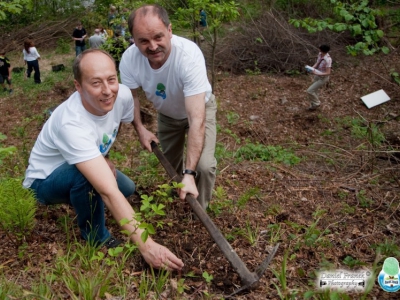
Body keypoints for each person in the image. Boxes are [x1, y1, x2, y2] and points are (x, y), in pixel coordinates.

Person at [23, 49, 184, 271]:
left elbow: (121, 118)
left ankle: (83, 193)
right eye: (96, 83)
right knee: (95, 182)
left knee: (127, 189)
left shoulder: (122, 95)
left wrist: (139, 129)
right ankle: (96, 236)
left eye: (111, 79)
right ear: (78, 86)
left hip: (77, 162)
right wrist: (148, 247)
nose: (107, 91)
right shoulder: (71, 123)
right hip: (43, 182)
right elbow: (108, 191)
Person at [120, 4, 217, 211]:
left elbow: (196, 118)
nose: (153, 46)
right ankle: (178, 196)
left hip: (199, 111)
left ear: (170, 31)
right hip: (167, 114)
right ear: (134, 40)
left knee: (204, 166)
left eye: (158, 37)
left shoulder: (188, 57)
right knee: (170, 164)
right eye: (143, 41)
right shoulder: (129, 60)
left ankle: (199, 211)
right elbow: (131, 98)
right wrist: (140, 129)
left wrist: (189, 173)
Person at [306, 44, 332, 110]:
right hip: (317, 74)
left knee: (310, 90)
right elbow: (317, 63)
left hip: (323, 78)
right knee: (315, 90)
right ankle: (313, 106)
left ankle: (317, 103)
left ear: (322, 50)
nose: (319, 50)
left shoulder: (328, 59)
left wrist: (318, 73)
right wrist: (312, 68)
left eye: (320, 49)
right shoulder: (320, 54)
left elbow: (328, 72)